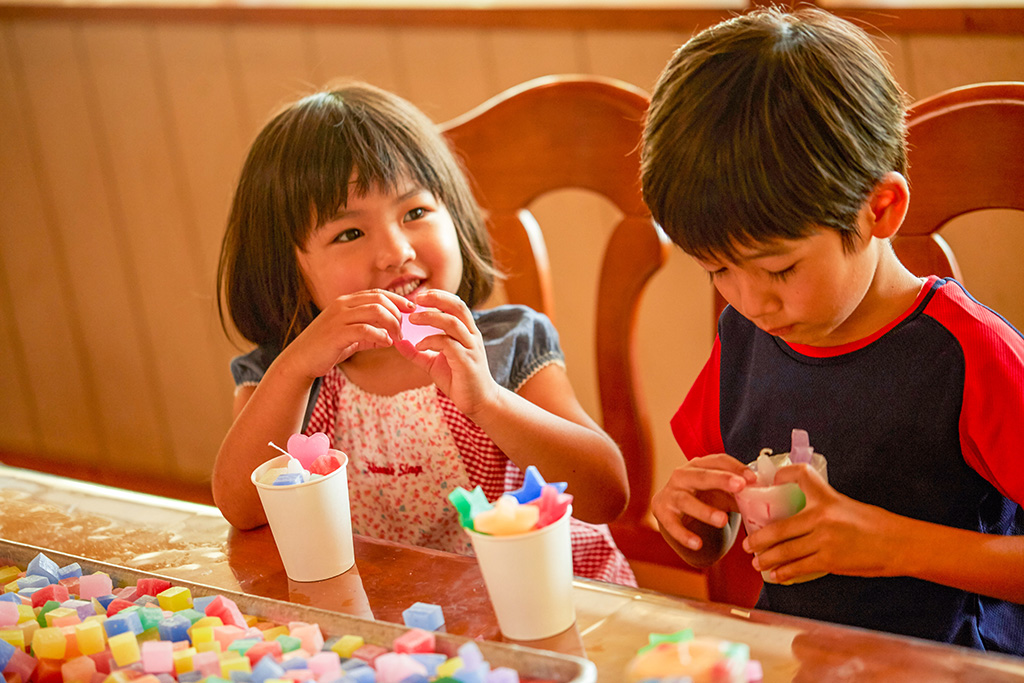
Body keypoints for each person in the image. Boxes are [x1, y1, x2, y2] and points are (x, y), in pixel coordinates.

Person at [641, 7, 1023, 653]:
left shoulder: (969, 355)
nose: (749, 300)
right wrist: (699, 522)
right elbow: (725, 518)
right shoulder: (744, 339)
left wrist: (889, 542)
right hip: (801, 657)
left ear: (880, 208)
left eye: (780, 268)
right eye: (717, 271)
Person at [213, 82, 636, 586]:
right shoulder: (282, 373)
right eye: (349, 233)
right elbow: (242, 509)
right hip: (382, 623)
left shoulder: (505, 345)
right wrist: (295, 368)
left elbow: (606, 494)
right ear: (288, 269)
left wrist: (489, 402)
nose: (395, 251)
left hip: (532, 605)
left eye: (415, 213)